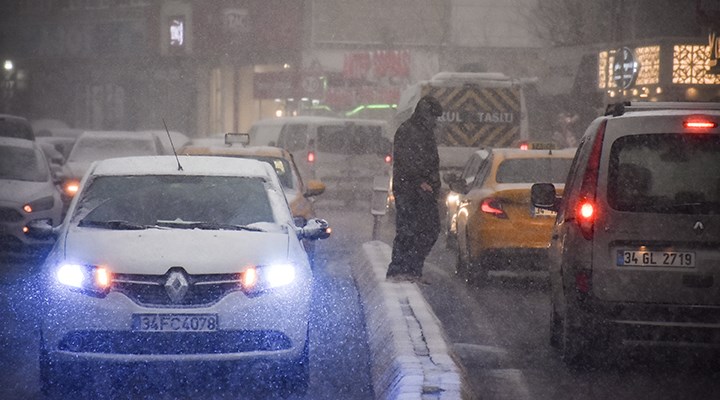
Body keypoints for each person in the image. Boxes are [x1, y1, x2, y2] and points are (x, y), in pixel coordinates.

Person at [386, 95, 443, 283]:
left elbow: (429, 162)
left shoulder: (424, 132)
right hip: (408, 189)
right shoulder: (408, 131)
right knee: (408, 230)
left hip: (423, 189)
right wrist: (420, 181)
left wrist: (434, 184)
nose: (435, 121)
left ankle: (412, 269)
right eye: (433, 117)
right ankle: (399, 270)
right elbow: (406, 161)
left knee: (428, 229)